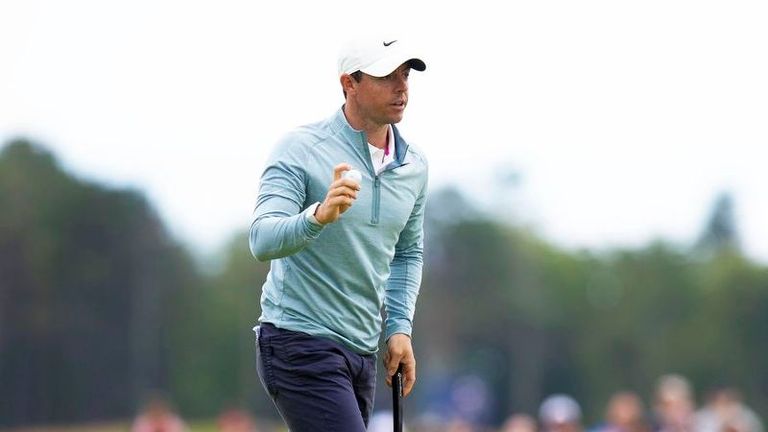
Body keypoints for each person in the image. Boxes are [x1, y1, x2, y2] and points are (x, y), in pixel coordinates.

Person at [249, 37, 428, 431]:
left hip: (361, 350)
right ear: (349, 83)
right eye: (387, 76)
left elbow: (407, 253)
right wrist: (318, 215)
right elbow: (261, 239)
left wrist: (400, 327)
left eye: (405, 75)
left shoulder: (414, 165)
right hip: (298, 339)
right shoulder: (300, 148)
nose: (401, 86)